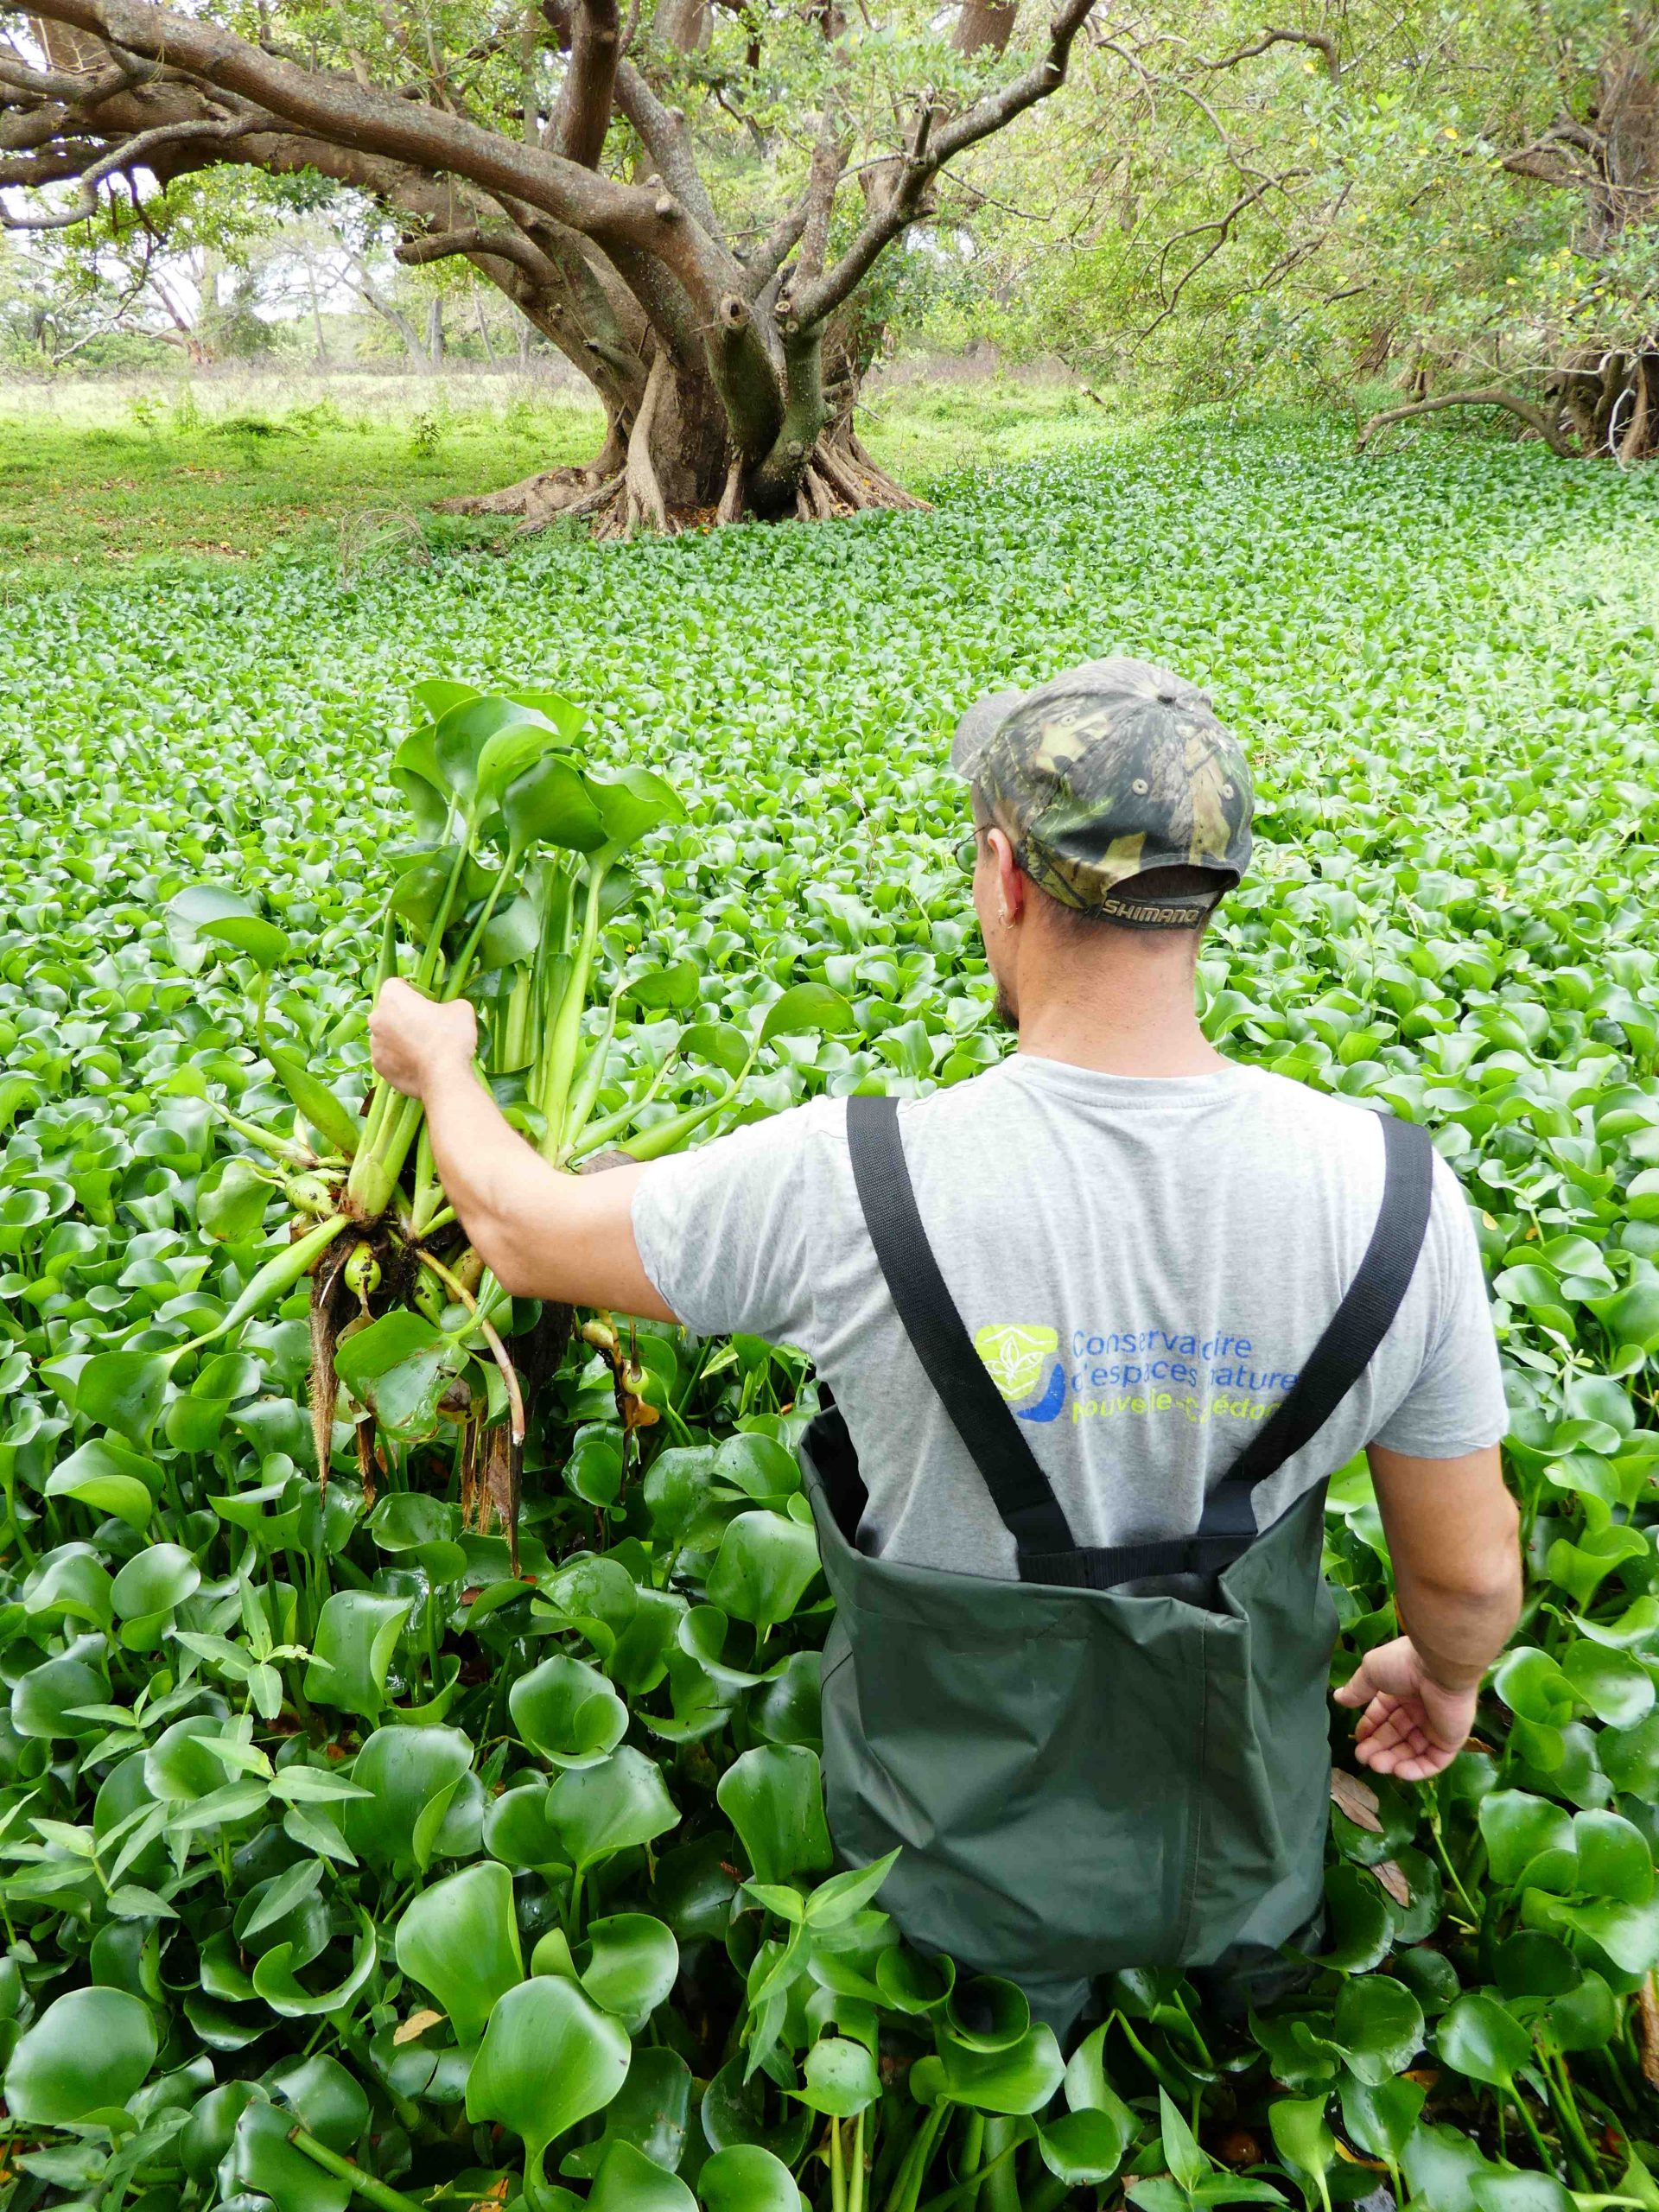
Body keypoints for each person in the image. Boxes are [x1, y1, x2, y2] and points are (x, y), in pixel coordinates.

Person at [370, 655, 1520, 2025]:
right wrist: (1439, 1676)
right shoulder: (1398, 1193)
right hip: (1241, 1871)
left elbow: (519, 1227)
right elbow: (1466, 1577)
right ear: (1215, 888)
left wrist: (441, 1061)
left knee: (948, 2011)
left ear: (1002, 874)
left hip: (940, 1903)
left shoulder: (849, 1183)